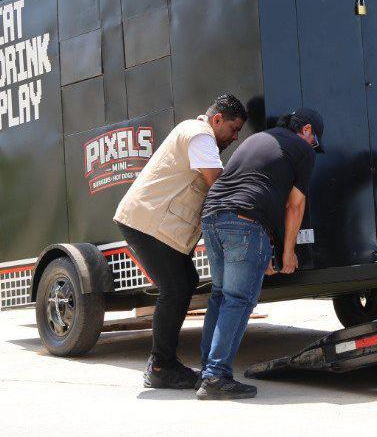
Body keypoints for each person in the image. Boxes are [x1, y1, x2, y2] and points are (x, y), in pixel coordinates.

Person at [112, 94, 248, 389]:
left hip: (149, 222)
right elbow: (218, 183)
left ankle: (162, 362)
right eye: (233, 129)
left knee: (185, 281)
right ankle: (161, 365)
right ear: (217, 120)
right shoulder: (200, 135)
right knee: (175, 288)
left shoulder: (194, 132)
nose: (235, 137)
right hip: (148, 222)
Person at [195, 108, 322, 400]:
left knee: (220, 295)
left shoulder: (256, 140)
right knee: (238, 300)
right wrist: (288, 252)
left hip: (213, 215)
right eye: (315, 139)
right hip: (245, 222)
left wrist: (263, 250)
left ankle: (207, 371)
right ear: (305, 131)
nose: (314, 146)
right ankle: (216, 376)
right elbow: (294, 205)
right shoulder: (303, 150)